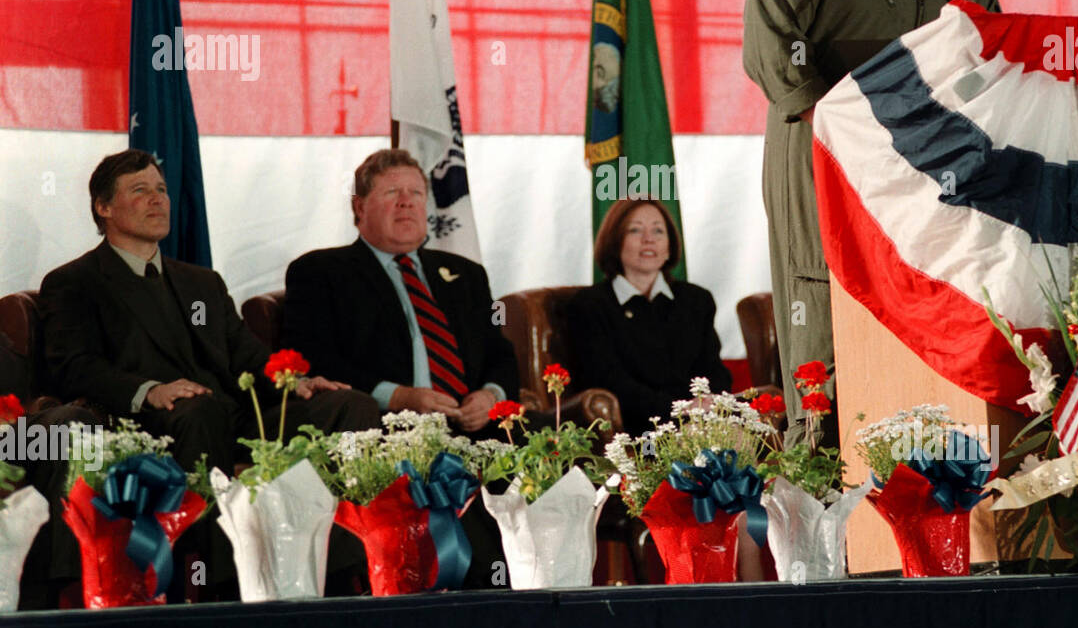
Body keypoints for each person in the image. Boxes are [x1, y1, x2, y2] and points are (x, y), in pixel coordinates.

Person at [742, 0, 1000, 443]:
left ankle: (916, 484)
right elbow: (769, 39)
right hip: (820, 151)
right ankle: (819, 478)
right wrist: (835, 119)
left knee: (914, 301)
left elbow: (984, 55)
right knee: (822, 303)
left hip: (920, 170)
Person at [38, 150, 381, 476]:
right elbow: (76, 367)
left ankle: (347, 533)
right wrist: (150, 390)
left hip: (236, 418)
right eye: (140, 190)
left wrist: (296, 383)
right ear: (103, 207)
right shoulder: (76, 282)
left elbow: (244, 354)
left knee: (350, 405)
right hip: (155, 421)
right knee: (201, 413)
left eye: (162, 189)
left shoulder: (201, 284)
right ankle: (207, 537)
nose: (157, 199)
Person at [281, 148, 519, 434]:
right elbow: (313, 357)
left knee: (550, 440)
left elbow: (501, 352)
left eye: (416, 193)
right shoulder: (319, 271)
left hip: (472, 425)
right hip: (383, 425)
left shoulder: (468, 274)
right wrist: (398, 396)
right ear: (360, 207)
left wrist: (490, 395)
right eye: (392, 192)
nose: (406, 203)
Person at [567, 198, 731, 435]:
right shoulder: (589, 305)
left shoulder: (696, 300)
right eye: (635, 230)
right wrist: (679, 409)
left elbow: (714, 371)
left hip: (701, 421)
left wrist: (705, 404)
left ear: (669, 245)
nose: (649, 239)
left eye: (658, 230)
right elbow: (608, 381)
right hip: (639, 428)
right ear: (615, 241)